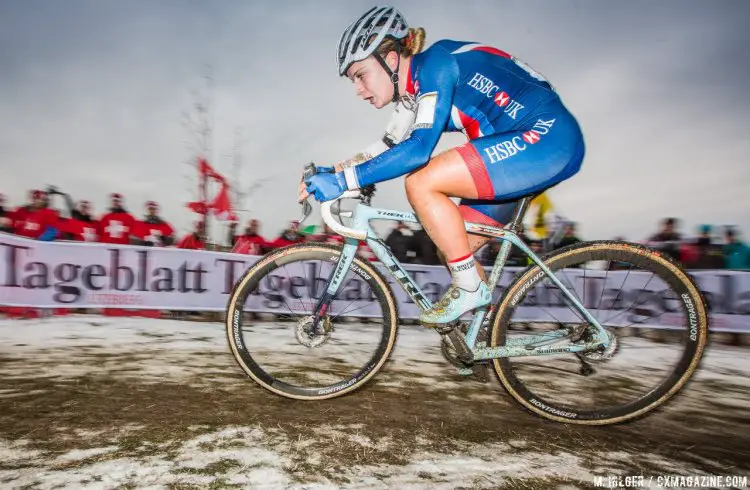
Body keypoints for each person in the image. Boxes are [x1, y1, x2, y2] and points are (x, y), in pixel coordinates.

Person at [298, 6, 585, 325]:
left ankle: (471, 290)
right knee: (450, 242)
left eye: (361, 76)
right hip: (517, 149)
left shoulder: (436, 64)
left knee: (421, 181)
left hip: (545, 137)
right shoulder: (414, 94)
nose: (358, 90)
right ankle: (484, 331)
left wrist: (343, 182)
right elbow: (385, 148)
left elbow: (418, 150)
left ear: (391, 60)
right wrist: (334, 173)